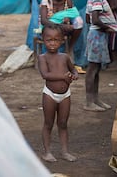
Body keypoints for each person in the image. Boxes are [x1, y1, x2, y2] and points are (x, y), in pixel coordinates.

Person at [37, 23, 78, 162]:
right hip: (49, 95)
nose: (52, 43)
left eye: (56, 40)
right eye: (49, 40)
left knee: (63, 123)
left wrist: (75, 75)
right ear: (43, 39)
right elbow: (45, 75)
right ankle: (47, 152)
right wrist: (63, 77)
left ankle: (65, 152)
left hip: (65, 95)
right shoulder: (43, 57)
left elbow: (74, 70)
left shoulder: (65, 57)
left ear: (62, 40)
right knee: (48, 123)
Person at [84, 0, 117, 112]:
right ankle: (89, 102)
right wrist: (108, 28)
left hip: (97, 35)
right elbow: (95, 19)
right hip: (98, 35)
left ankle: (95, 99)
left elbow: (88, 18)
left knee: (96, 68)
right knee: (93, 69)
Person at [39, 0, 84, 66]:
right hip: (48, 28)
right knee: (53, 33)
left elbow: (75, 16)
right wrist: (61, 26)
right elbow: (44, 21)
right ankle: (53, 61)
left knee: (79, 22)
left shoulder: (68, 1)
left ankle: (70, 48)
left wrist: (69, 23)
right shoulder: (46, 0)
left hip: (63, 29)